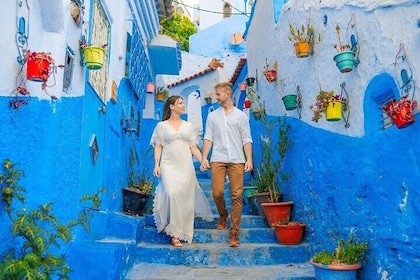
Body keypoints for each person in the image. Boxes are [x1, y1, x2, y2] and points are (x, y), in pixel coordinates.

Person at [151, 95, 213, 247]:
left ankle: (176, 232)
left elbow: (193, 148)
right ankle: (172, 231)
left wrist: (203, 160)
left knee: (185, 199)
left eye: (183, 102)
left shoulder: (188, 126)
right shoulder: (162, 126)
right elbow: (158, 146)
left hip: (186, 167)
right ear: (172, 106)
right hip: (168, 165)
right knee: (172, 193)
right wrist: (156, 164)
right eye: (180, 103)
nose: (184, 105)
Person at [200, 82, 253, 247]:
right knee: (217, 192)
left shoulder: (240, 116)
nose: (216, 97)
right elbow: (208, 137)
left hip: (237, 159)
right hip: (218, 158)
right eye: (216, 94)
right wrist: (204, 157)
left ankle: (234, 231)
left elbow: (246, 138)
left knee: (237, 195)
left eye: (218, 94)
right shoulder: (212, 116)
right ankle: (223, 214)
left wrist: (249, 159)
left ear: (227, 94)